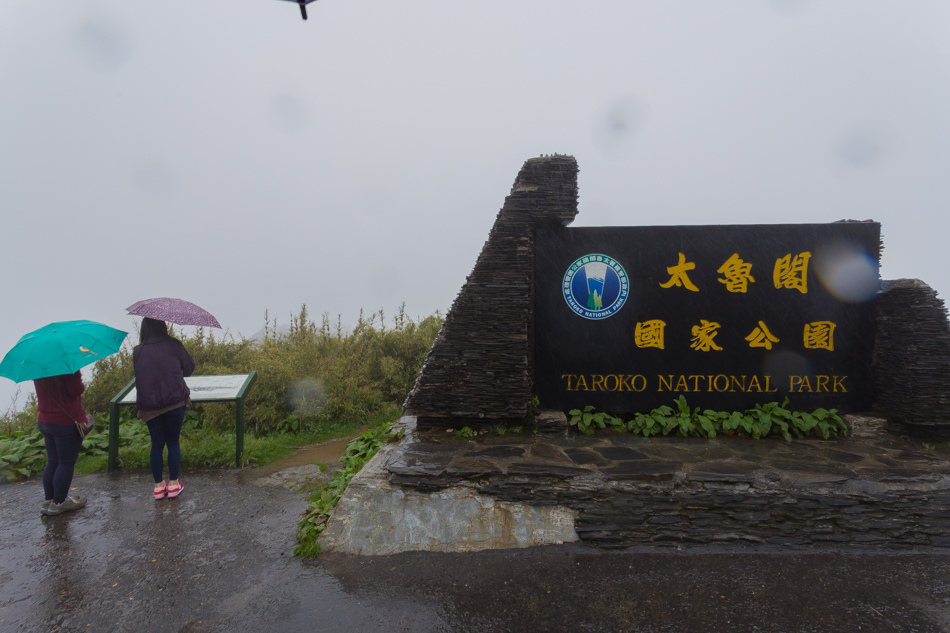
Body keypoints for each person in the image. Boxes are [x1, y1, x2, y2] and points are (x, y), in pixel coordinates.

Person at [133, 317, 195, 500]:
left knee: (157, 444)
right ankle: (174, 485)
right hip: (175, 401)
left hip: (150, 406)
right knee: (173, 442)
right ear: (163, 326)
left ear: (144, 329)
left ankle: (159, 488)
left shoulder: (138, 351)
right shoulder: (173, 345)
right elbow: (189, 368)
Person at [34, 370, 89, 515]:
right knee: (66, 462)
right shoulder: (67, 366)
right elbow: (75, 390)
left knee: (53, 461)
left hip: (45, 420)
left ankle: (49, 501)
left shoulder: (38, 366)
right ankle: (59, 502)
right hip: (65, 420)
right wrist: (79, 379)